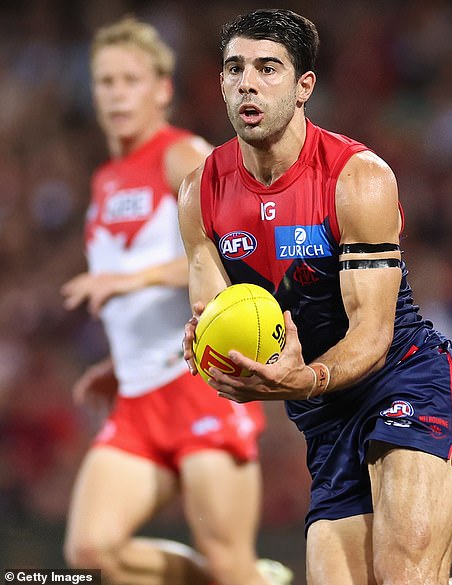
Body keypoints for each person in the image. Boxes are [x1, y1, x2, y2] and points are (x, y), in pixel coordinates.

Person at [178, 8, 452, 585]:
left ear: (305, 87)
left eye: (268, 68)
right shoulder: (199, 193)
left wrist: (304, 380)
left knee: (404, 578)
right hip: (325, 422)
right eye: (235, 68)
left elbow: (372, 335)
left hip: (407, 380)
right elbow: (221, 321)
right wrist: (210, 355)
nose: (247, 82)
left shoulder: (358, 178)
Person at [61, 15, 292, 585]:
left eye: (130, 80)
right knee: (90, 554)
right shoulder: (106, 179)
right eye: (105, 82)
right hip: (139, 399)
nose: (116, 94)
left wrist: (131, 281)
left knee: (229, 564)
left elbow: (237, 245)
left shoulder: (180, 153)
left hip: (199, 383)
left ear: (162, 89)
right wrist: (123, 362)